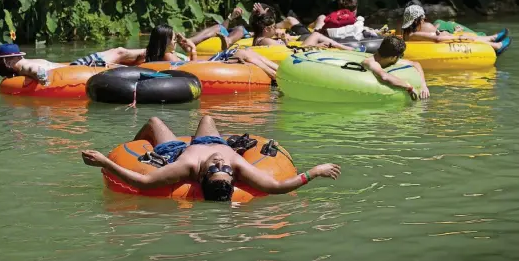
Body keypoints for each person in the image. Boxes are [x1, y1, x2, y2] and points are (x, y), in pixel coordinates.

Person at [81, 115, 341, 202]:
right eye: (223, 167)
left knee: (154, 122)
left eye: (217, 167)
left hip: (177, 149)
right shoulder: (237, 165)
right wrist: (315, 171)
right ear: (232, 174)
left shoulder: (186, 166)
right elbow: (277, 187)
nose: (220, 162)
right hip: (213, 140)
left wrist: (105, 162)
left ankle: (136, 143)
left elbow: (142, 182)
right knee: (206, 119)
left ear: (202, 175)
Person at [145, 25, 279, 79]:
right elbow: (190, 70)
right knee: (244, 53)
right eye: (173, 40)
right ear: (164, 42)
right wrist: (193, 50)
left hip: (207, 62)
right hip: (207, 65)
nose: (175, 42)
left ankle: (277, 72)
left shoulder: (168, 54)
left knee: (246, 51)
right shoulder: (169, 57)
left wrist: (192, 49)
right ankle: (276, 75)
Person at [0, 43, 146, 84]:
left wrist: (41, 76)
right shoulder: (24, 65)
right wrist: (42, 77)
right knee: (119, 53)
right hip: (78, 68)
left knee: (120, 54)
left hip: (77, 68)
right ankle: (150, 53)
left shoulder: (22, 67)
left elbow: (34, 69)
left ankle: (150, 53)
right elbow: (35, 69)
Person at [401, 3, 511, 56]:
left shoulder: (407, 32)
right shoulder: (413, 34)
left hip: (435, 42)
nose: (424, 19)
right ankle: (496, 45)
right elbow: (437, 39)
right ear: (416, 20)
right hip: (442, 44)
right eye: (422, 18)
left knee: (464, 36)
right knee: (466, 38)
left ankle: (492, 38)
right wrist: (455, 36)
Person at [362, 35, 430, 100]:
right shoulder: (371, 62)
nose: (400, 58)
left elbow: (416, 64)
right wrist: (409, 87)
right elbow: (384, 76)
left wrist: (423, 85)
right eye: (400, 56)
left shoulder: (386, 58)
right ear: (393, 57)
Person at [250, 12, 360, 51]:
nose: (276, 29)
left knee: (316, 35)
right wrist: (317, 47)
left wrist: (284, 40)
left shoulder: (262, 39)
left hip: (296, 50)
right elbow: (289, 53)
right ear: (266, 29)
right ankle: (349, 49)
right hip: (298, 53)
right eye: (273, 27)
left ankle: (347, 48)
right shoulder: (266, 41)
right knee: (316, 35)